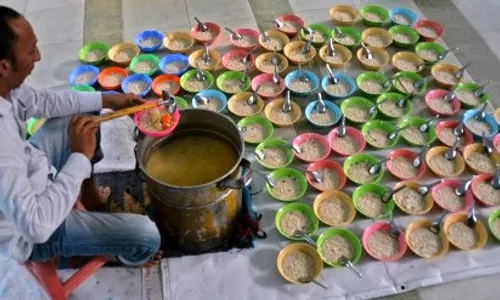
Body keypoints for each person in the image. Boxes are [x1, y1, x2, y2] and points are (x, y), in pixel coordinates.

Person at [0, 6, 162, 267]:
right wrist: (79, 156)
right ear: (5, 66)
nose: (39, 56)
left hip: (35, 169)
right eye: (31, 51)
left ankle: (86, 195)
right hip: (34, 232)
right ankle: (119, 254)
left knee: (84, 112)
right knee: (147, 236)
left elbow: (45, 101)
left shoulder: (7, 87)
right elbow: (37, 227)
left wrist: (110, 99)